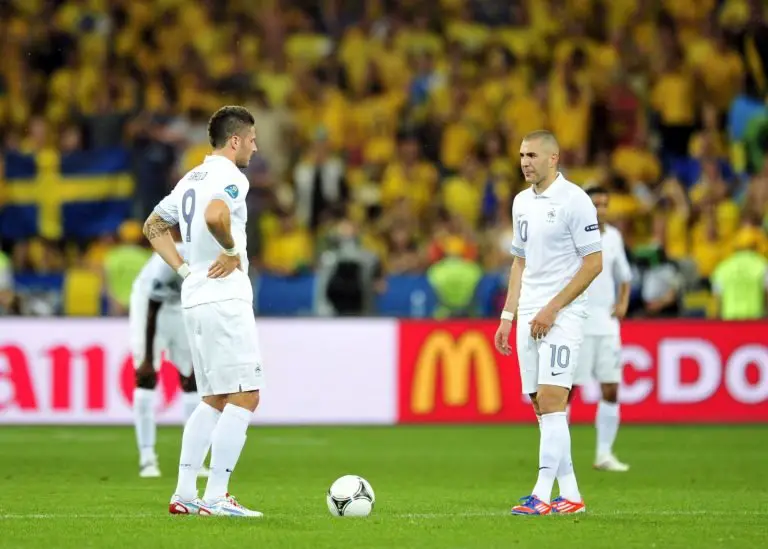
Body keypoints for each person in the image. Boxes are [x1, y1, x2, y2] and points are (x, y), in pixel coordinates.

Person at [142, 105, 264, 517]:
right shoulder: (232, 176)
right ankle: (216, 496)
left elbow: (153, 226)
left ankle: (184, 493)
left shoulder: (190, 178)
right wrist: (230, 250)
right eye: (251, 140)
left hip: (195, 295)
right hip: (224, 297)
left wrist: (183, 269)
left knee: (213, 398)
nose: (255, 147)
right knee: (246, 394)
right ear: (235, 140)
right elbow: (216, 215)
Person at [494, 130, 602, 516]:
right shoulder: (521, 202)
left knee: (554, 400)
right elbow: (519, 262)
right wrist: (508, 316)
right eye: (522, 155)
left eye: (533, 155)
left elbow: (594, 263)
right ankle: (570, 495)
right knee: (541, 405)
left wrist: (554, 308)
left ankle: (540, 494)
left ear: (553, 158)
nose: (525, 162)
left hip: (562, 314)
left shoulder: (575, 201)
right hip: (528, 314)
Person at [129, 231, 207, 478]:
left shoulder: (212, 261)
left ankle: (194, 461)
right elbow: (152, 307)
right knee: (146, 378)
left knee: (193, 380)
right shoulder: (169, 260)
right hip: (148, 304)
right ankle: (147, 458)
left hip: (181, 306)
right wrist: (148, 359)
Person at [572, 186, 632, 472]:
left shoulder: (614, 237)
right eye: (595, 204)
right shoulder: (572, 237)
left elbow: (625, 276)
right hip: (578, 323)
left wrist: (622, 303)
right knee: (566, 391)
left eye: (605, 204)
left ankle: (604, 454)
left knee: (611, 388)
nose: (601, 209)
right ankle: (558, 454)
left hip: (607, 325)